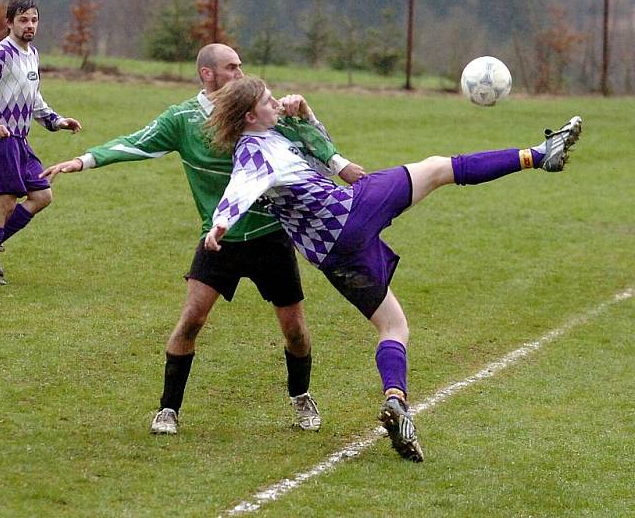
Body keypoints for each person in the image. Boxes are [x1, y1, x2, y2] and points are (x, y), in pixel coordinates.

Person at [203, 76, 584, 462]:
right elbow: (240, 188)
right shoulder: (253, 150)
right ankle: (540, 155)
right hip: (349, 213)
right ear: (251, 115)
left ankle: (396, 401)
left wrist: (307, 115)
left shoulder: (268, 138)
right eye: (269, 101)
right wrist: (220, 224)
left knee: (394, 326)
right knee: (438, 169)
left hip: (331, 253)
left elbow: (319, 161)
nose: (276, 104)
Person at [41, 43, 365, 435]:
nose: (240, 74)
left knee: (295, 330)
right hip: (218, 240)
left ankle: (301, 396)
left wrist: (307, 114)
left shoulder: (260, 110)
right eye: (232, 67)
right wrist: (84, 160)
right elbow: (136, 142)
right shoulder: (183, 120)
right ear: (206, 74)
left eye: (241, 66)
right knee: (191, 320)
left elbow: (311, 143)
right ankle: (167, 409)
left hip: (270, 236)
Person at [0, 0, 81, 285]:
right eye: (23, 20)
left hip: (20, 140)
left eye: (34, 20)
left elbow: (33, 97)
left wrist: (56, 120)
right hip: (1, 139)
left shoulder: (32, 54)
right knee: (5, 205)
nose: (29, 25)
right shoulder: (1, 55)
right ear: (10, 23)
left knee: (42, 195)